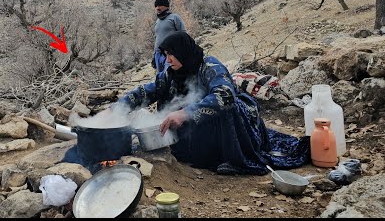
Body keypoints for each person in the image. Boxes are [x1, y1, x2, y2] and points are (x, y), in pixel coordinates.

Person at [117, 31, 309, 175]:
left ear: (182, 52)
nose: (167, 60)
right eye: (166, 54)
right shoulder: (170, 74)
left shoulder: (209, 66)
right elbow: (148, 91)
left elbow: (225, 95)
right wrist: (117, 108)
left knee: (228, 108)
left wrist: (185, 113)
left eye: (171, 54)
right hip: (203, 129)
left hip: (234, 122)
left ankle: (235, 158)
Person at [152, 0, 186, 72]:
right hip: (158, 53)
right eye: (156, 6)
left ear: (166, 6)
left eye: (159, 5)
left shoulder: (174, 17)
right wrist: (154, 56)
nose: (157, 8)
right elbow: (157, 37)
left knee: (169, 74)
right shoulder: (157, 21)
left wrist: (181, 52)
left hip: (170, 53)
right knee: (160, 77)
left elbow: (183, 34)